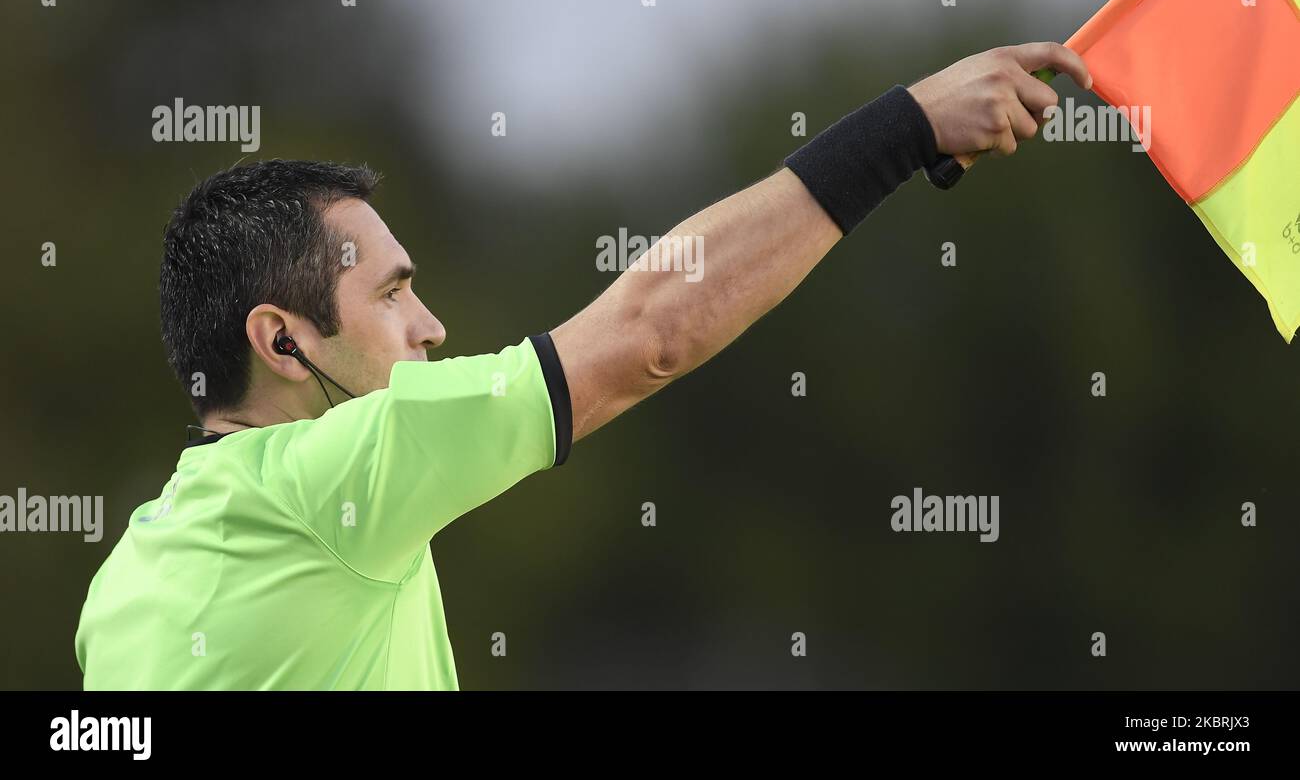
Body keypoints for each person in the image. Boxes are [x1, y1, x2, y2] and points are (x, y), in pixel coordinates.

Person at [74, 42, 1091, 689]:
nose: (428, 326)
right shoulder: (340, 474)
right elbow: (651, 330)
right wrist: (903, 131)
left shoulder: (122, 583)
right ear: (281, 339)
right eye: (389, 293)